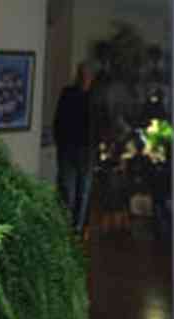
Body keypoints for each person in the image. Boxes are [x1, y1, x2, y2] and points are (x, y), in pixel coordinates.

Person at [53, 61, 96, 232]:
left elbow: (101, 122)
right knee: (67, 189)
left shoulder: (95, 98)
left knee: (83, 191)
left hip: (87, 150)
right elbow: (58, 120)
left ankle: (77, 228)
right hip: (68, 148)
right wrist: (60, 143)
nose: (84, 79)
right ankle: (64, 227)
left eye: (86, 75)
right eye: (81, 75)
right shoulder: (68, 94)